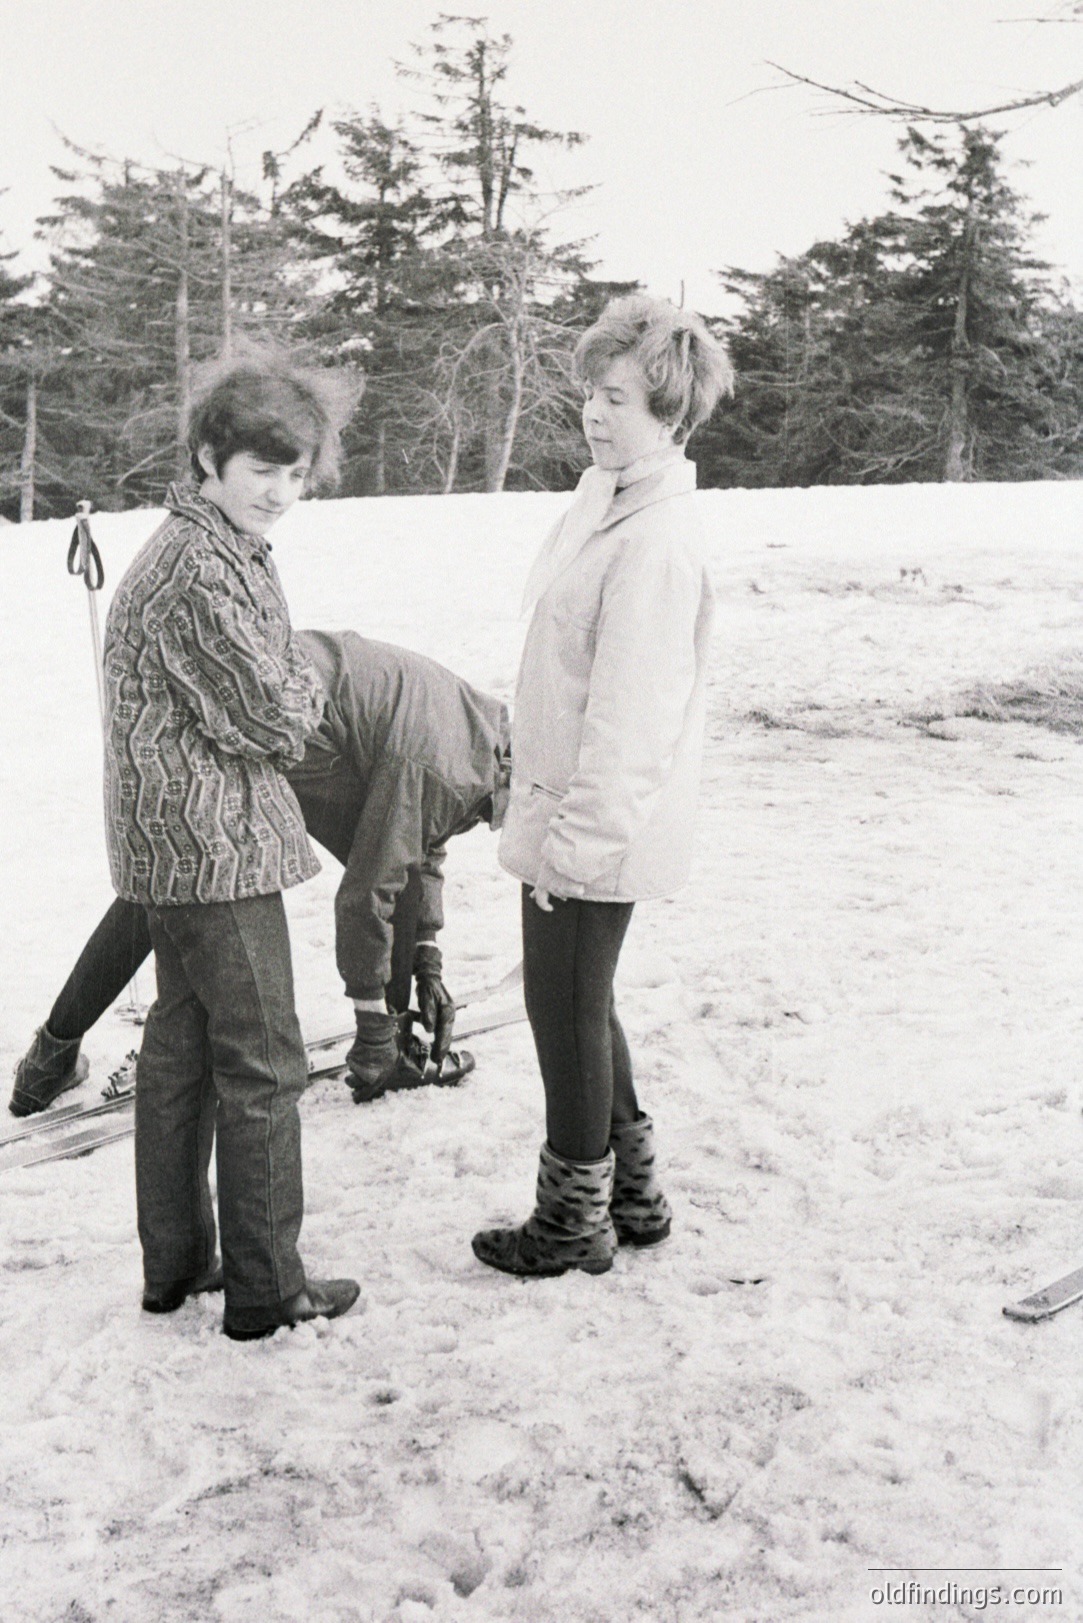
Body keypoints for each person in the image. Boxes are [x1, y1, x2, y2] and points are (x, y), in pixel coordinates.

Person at [471, 295, 734, 1279]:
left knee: (564, 1004)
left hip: (599, 824)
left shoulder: (656, 541)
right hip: (566, 807)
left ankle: (573, 1221)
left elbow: (630, 723)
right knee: (582, 998)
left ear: (668, 412)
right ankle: (633, 1195)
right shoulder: (609, 499)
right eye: (588, 390)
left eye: (616, 396)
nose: (593, 410)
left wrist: (573, 851)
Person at [102, 354, 360, 1340]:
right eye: (265, 470)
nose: (283, 493)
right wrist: (302, 682)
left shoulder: (221, 543)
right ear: (210, 456)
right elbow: (274, 718)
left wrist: (284, 676)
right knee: (262, 1062)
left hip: (179, 843)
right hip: (213, 848)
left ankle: (176, 1264)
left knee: (181, 1051)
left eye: (297, 474)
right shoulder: (200, 566)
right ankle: (264, 1285)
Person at [11, 631, 510, 1112]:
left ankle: (50, 1055)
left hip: (263, 689)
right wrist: (377, 1027)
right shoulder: (454, 765)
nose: (492, 828)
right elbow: (372, 888)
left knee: (173, 877)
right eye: (499, 819)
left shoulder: (479, 732)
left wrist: (426, 959)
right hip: (285, 715)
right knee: (364, 877)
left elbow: (421, 836)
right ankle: (386, 1043)